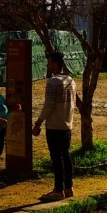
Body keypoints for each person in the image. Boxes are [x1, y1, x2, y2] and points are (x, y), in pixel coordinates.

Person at [32, 50, 76, 200]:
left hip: (54, 126)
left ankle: (58, 190)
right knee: (66, 156)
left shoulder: (52, 82)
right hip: (67, 125)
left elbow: (48, 105)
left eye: (49, 62)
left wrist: (38, 123)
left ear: (56, 64)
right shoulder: (71, 80)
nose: (47, 65)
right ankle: (68, 187)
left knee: (57, 158)